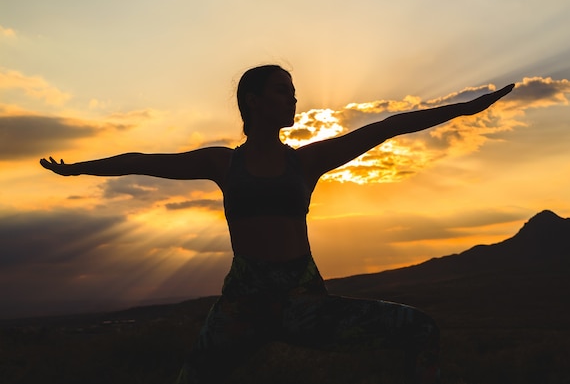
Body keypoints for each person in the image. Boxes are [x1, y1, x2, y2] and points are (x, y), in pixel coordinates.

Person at [41, 65, 514, 383]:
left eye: (292, 91)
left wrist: (466, 109)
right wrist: (78, 168)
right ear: (253, 100)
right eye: (283, 91)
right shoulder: (223, 164)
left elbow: (386, 127)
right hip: (242, 306)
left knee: (421, 328)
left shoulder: (307, 162)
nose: (293, 99)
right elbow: (143, 160)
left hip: (303, 303)